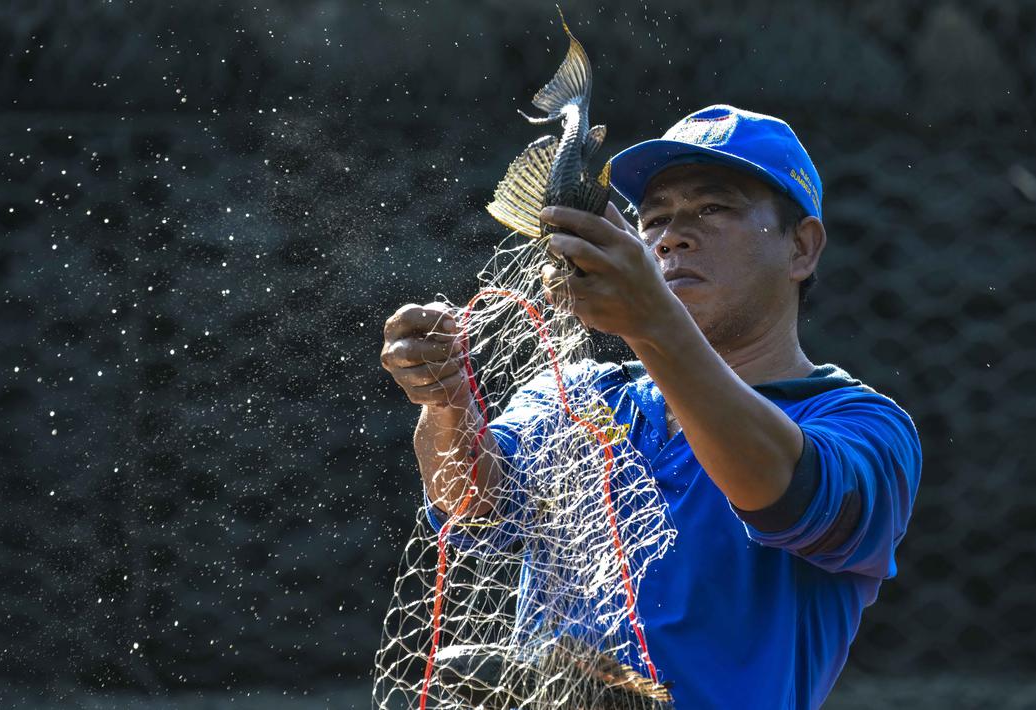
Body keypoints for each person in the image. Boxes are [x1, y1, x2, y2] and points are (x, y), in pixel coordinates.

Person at [380, 104, 922, 709]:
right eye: (655, 217)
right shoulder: (583, 396)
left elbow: (781, 491)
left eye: (713, 209)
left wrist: (651, 323)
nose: (672, 234)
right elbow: (472, 505)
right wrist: (445, 397)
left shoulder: (863, 427)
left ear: (802, 247)